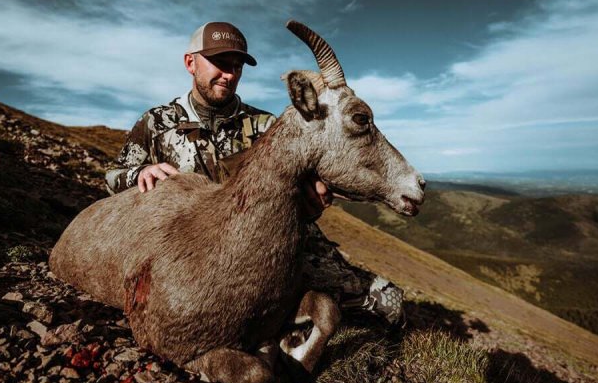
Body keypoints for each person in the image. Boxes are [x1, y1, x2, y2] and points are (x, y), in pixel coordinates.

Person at [105, 21, 405, 327]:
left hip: (265, 243)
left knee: (385, 303)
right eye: (219, 63)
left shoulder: (266, 127)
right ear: (190, 62)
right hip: (189, 248)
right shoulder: (156, 122)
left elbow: (307, 187)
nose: (230, 74)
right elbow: (113, 176)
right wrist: (140, 172)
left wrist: (313, 202)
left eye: (237, 66)